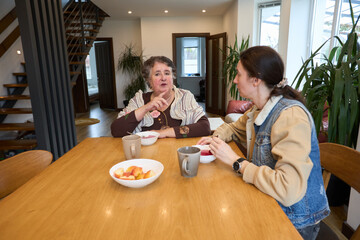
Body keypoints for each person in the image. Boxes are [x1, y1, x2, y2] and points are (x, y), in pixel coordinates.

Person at [197, 46, 329, 240]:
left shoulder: (290, 117)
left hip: (293, 221)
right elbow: (233, 127)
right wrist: (216, 138)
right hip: (267, 200)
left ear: (255, 80)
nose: (234, 80)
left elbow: (287, 189)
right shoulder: (259, 109)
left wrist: (237, 162)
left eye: (238, 74)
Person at [111, 56, 211, 138]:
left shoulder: (185, 97)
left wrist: (163, 133)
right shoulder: (138, 100)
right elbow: (116, 130)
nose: (163, 78)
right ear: (149, 80)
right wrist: (146, 108)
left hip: (177, 153)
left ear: (173, 77)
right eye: (157, 74)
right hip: (146, 155)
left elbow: (205, 127)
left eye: (167, 73)